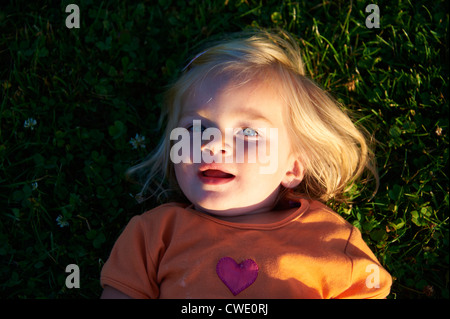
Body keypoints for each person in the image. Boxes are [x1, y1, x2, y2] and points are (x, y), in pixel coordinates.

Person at [100, 30, 392, 299]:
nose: (212, 144)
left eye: (248, 133)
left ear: (292, 167)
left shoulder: (328, 238)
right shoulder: (153, 235)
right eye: (196, 129)